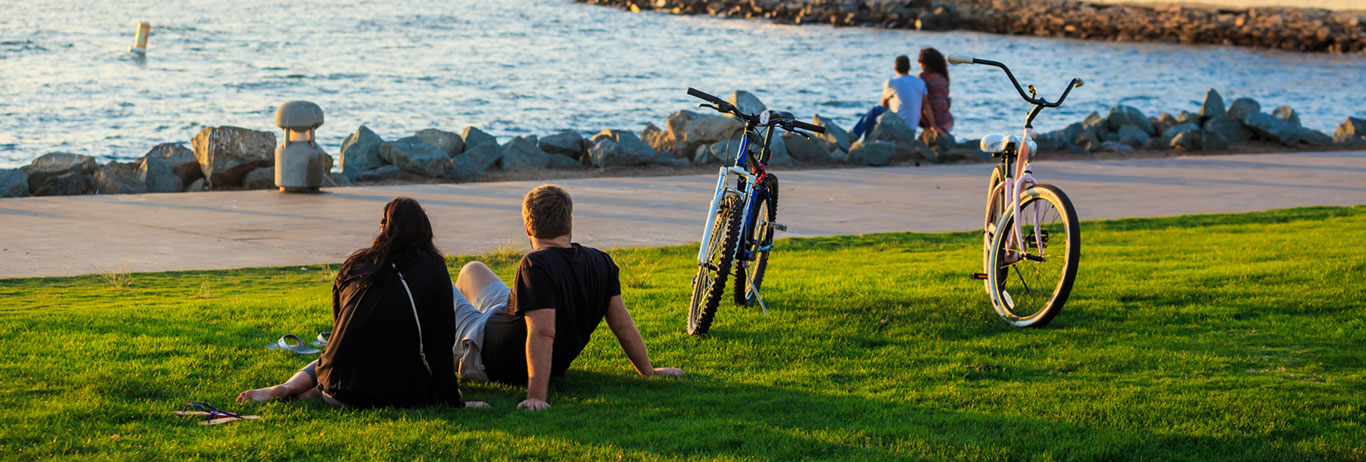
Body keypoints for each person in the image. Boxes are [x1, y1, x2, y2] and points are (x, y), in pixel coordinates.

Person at [237, 197, 488, 409]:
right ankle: (310, 390)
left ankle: (289, 387)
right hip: (393, 394)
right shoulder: (433, 266)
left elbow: (339, 330)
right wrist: (453, 401)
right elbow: (439, 343)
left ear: (382, 229)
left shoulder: (355, 263)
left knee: (333, 355)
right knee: (391, 361)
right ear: (425, 231)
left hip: (335, 388)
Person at [451, 184, 684, 411]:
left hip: (482, 352)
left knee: (444, 284)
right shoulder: (601, 262)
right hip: (501, 320)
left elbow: (542, 333)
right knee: (472, 269)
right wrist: (648, 371)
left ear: (528, 229)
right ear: (570, 222)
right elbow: (622, 324)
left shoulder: (535, 265)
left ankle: (443, 348)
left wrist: (536, 397)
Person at [850, 54, 937, 140]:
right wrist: (933, 126)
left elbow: (884, 103)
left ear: (895, 68)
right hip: (912, 130)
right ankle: (866, 139)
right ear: (909, 68)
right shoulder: (920, 82)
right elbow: (926, 105)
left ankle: (857, 135)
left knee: (876, 110)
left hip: (898, 127)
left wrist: (889, 114)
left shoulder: (892, 82)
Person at [918, 47, 954, 135]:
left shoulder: (923, 77)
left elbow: (924, 103)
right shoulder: (944, 77)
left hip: (932, 118)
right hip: (946, 118)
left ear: (925, 64)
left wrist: (934, 125)